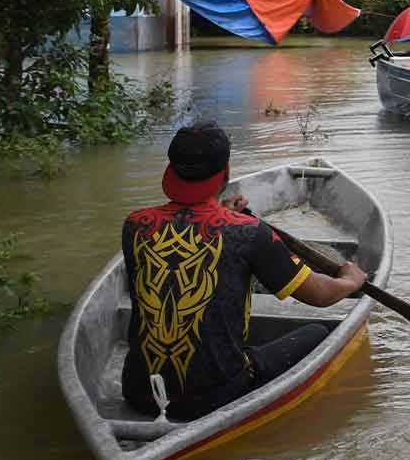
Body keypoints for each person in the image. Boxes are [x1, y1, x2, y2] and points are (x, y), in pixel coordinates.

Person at [120, 122, 367, 421]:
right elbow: (319, 295)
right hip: (216, 396)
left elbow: (192, 229)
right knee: (320, 332)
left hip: (138, 392)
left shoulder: (136, 225)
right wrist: (349, 280)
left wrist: (224, 213)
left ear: (171, 171)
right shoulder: (250, 233)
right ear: (225, 172)